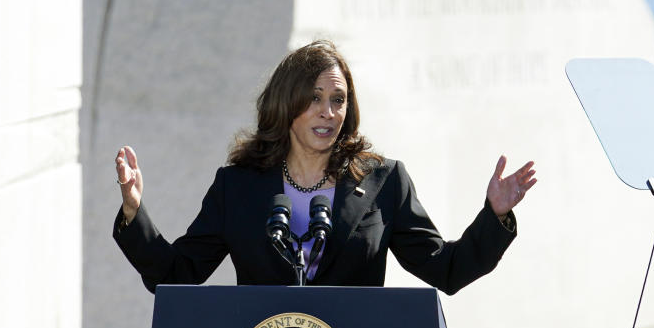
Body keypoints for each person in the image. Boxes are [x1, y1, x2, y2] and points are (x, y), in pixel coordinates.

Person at [113, 40, 536, 294]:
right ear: (287, 103)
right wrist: (134, 212)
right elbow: (177, 275)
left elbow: (446, 269)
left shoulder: (384, 181)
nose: (327, 112)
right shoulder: (237, 186)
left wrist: (494, 216)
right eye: (314, 98)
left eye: (338, 100)